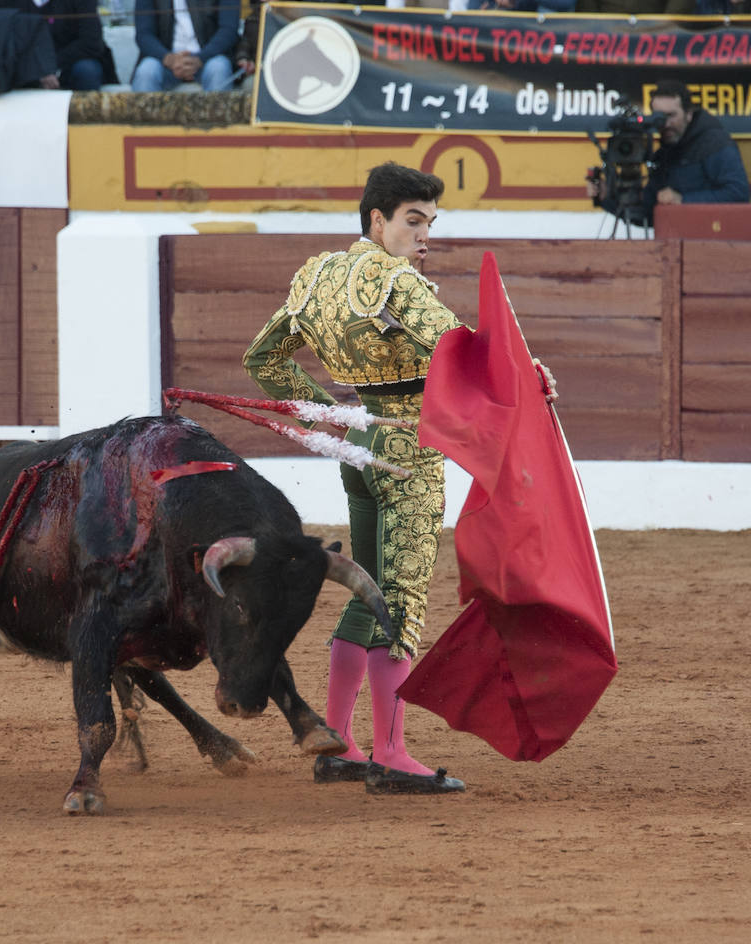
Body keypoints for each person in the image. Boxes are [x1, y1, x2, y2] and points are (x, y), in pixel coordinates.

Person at [243, 163, 556, 796]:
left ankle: (337, 741)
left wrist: (334, 420)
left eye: (431, 223)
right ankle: (390, 753)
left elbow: (261, 359)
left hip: (360, 444)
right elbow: (470, 356)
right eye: (414, 221)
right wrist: (533, 376)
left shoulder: (318, 275)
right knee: (402, 599)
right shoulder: (394, 282)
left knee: (366, 589)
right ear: (376, 220)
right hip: (410, 449)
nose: (425, 235)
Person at [586, 79, 749, 226]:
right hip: (675, 247)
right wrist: (607, 198)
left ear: (689, 114)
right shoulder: (663, 154)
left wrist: (683, 200)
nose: (666, 124)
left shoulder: (714, 142)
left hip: (714, 242)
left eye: (671, 116)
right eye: (660, 117)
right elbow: (648, 215)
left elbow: (738, 194)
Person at [0, 0, 106, 91]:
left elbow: (91, 42)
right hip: (24, 66)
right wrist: (38, 70)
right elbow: (1, 40)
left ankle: (87, 117)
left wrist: (50, 67)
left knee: (87, 71)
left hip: (68, 63)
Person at [130, 0, 239, 92]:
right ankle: (145, 118)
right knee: (146, 72)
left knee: (219, 69)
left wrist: (200, 59)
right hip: (164, 59)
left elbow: (229, 30)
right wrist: (169, 59)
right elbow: (144, 34)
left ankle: (216, 118)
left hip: (208, 57)